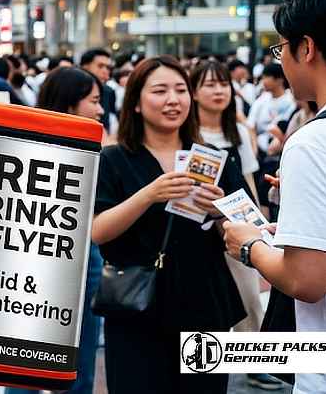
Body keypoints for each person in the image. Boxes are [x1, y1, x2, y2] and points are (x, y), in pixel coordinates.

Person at [92, 56, 246, 393]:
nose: (173, 100)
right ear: (134, 103)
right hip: (136, 306)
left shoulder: (212, 157)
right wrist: (149, 194)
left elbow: (240, 234)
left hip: (204, 301)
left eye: (180, 90)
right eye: (160, 91)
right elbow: (98, 230)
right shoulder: (113, 160)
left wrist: (219, 212)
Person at [223, 0, 326, 394]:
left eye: (281, 48)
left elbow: (307, 280)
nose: (281, 60)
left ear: (306, 47)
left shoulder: (312, 143)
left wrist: (249, 245)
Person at [6, 67, 105, 394]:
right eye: (94, 101)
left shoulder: (24, 140)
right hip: (64, 258)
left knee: (25, 359)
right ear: (69, 106)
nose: (100, 110)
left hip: (32, 260)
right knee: (71, 357)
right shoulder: (80, 148)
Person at [189, 60, 280, 391]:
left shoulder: (239, 131)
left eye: (223, 84)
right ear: (194, 92)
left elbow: (247, 181)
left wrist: (258, 220)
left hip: (236, 226)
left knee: (249, 297)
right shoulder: (186, 132)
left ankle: (255, 364)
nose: (218, 91)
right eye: (209, 84)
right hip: (197, 227)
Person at [248, 63, 296, 155]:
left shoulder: (291, 100)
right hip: (260, 149)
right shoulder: (262, 99)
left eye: (266, 77)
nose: (263, 81)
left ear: (279, 80)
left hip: (283, 148)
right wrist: (254, 150)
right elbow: (251, 125)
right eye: (263, 78)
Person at [79, 48, 117, 131]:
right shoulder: (71, 89)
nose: (105, 71)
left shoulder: (109, 91)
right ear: (85, 67)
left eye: (108, 68)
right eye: (100, 66)